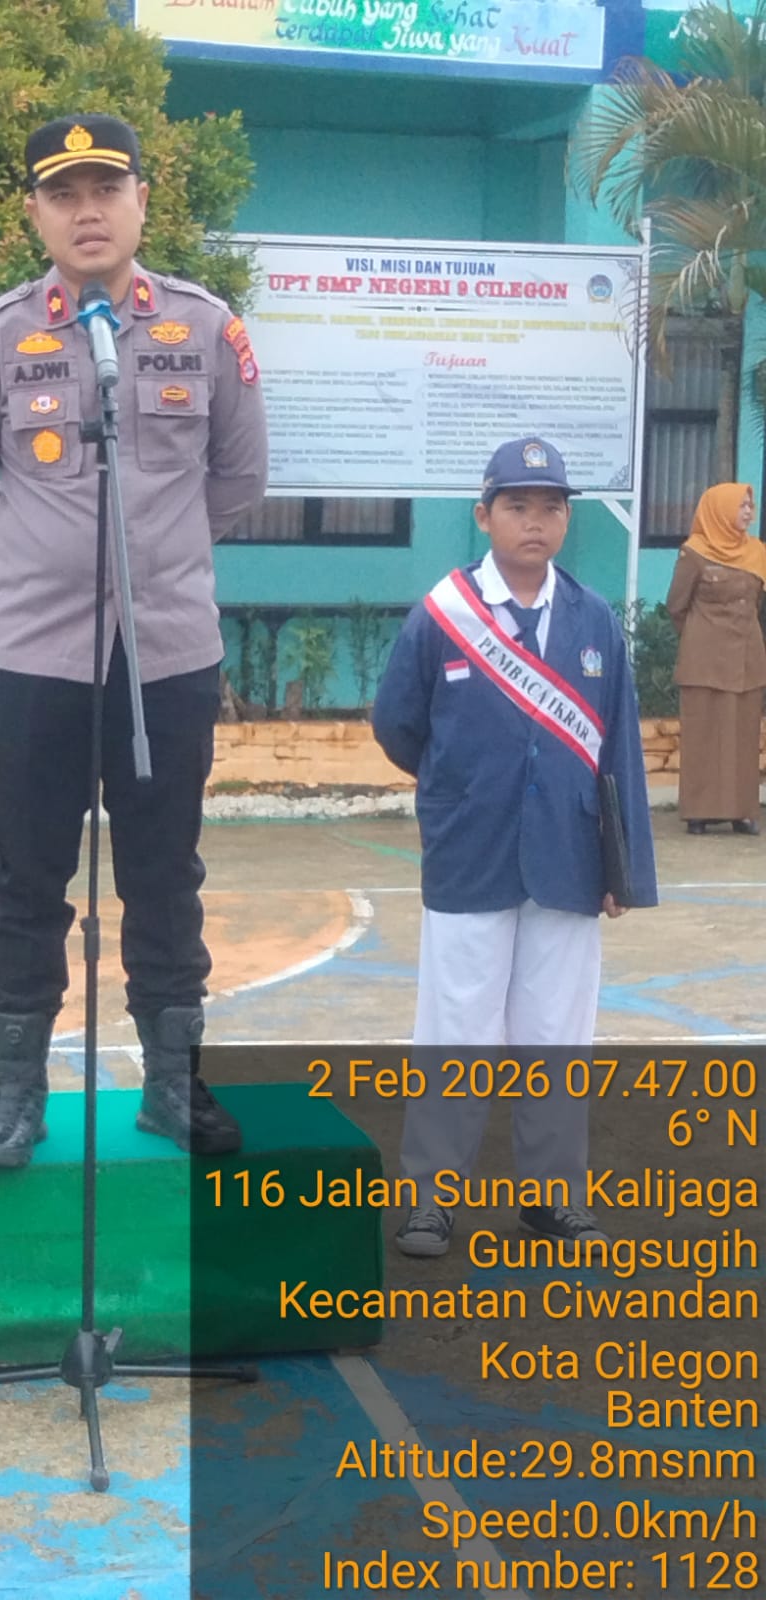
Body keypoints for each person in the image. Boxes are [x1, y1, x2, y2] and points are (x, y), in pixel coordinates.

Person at [0, 114, 269, 1168]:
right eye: (63, 193)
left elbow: (239, 478)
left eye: (106, 190)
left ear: (141, 201)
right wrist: (53, 553)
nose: (88, 212)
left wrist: (149, 556)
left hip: (168, 653)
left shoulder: (206, 329)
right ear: (35, 211)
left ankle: (171, 1086)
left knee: (165, 874)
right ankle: (17, 1095)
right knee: (23, 875)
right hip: (37, 657)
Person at [372, 437, 658, 1258]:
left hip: (568, 858)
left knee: (557, 1032)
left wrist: (624, 868)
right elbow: (398, 724)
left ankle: (552, 1199)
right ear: (484, 515)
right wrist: (459, 789)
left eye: (552, 507)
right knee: (456, 1027)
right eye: (518, 506)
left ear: (567, 520)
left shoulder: (593, 619)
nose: (536, 522)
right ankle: (430, 1202)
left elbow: (619, 750)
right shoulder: (442, 615)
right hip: (470, 853)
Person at [665, 483, 766, 836]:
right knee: (703, 734)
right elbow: (676, 605)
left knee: (743, 735)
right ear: (720, 510)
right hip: (704, 659)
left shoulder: (757, 552)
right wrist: (701, 638)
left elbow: (756, 606)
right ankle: (699, 812)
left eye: (750, 506)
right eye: (742, 506)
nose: (749, 512)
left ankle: (742, 813)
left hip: (746, 658)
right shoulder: (694, 552)